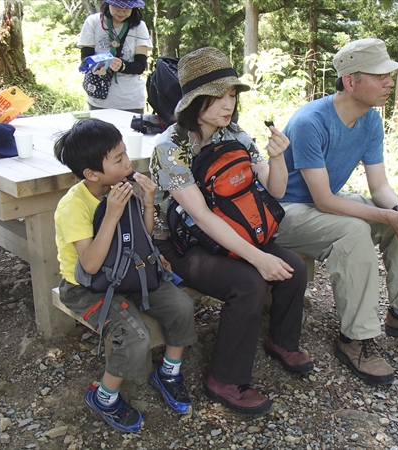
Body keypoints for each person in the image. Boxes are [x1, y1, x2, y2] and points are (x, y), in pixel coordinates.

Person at [275, 38, 398, 386]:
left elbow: (379, 188)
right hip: (285, 211)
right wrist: (387, 215)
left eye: (390, 75)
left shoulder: (370, 120)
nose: (390, 82)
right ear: (351, 81)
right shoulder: (310, 121)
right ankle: (355, 338)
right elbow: (325, 200)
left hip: (320, 206)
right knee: (355, 231)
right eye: (380, 75)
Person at [149, 47, 313, 415]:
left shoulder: (234, 134)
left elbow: (275, 189)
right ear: (195, 101)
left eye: (232, 95)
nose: (228, 105)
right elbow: (202, 216)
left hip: (232, 230)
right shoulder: (170, 147)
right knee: (249, 282)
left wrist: (276, 157)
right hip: (181, 245)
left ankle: (281, 342)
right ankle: (224, 379)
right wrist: (258, 258)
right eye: (218, 97)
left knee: (294, 269)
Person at [53, 118, 197, 433]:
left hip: (131, 274)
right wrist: (112, 215)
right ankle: (104, 397)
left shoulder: (122, 187)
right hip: (88, 288)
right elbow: (90, 265)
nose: (128, 163)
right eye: (118, 159)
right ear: (91, 174)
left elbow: (140, 238)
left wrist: (147, 203)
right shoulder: (73, 207)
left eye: (125, 154)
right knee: (134, 339)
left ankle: (169, 372)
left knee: (182, 306)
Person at [77, 0, 151, 113]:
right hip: (98, 100)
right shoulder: (93, 22)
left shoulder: (139, 27)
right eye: (117, 8)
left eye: (126, 9)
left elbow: (140, 66)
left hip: (131, 102)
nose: (121, 12)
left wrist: (122, 66)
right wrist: (96, 67)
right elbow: (86, 57)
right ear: (108, 4)